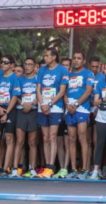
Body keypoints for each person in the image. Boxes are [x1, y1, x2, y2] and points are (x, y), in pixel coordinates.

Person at [36, 48, 68, 179]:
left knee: (52, 136)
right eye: (44, 55)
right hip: (42, 106)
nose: (45, 57)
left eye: (47, 55)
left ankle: (51, 167)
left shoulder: (62, 70)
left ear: (54, 57)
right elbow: (38, 89)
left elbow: (62, 92)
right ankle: (46, 167)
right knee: (45, 137)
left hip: (55, 107)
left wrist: (49, 104)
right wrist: (42, 104)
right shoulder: (42, 69)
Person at [65, 51, 94, 179]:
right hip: (69, 109)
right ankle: (73, 169)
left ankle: (84, 170)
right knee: (71, 139)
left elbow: (88, 91)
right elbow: (64, 92)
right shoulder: (68, 74)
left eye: (79, 58)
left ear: (83, 61)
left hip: (82, 109)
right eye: (74, 58)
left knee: (83, 139)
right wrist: (67, 104)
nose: (76, 60)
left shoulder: (88, 73)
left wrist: (76, 104)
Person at [0, 54, 20, 177]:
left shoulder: (14, 78)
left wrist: (6, 112)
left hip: (10, 110)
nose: (2, 64)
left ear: (12, 65)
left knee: (9, 138)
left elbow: (15, 96)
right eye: (1, 62)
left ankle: (5, 167)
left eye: (5, 62)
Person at [15, 57, 40, 178]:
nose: (27, 66)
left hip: (34, 111)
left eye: (30, 64)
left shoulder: (38, 79)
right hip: (21, 110)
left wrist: (32, 104)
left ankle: (32, 168)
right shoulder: (19, 79)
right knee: (19, 141)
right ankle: (16, 169)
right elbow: (15, 95)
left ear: (35, 66)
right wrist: (22, 103)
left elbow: (41, 95)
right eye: (26, 64)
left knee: (32, 142)